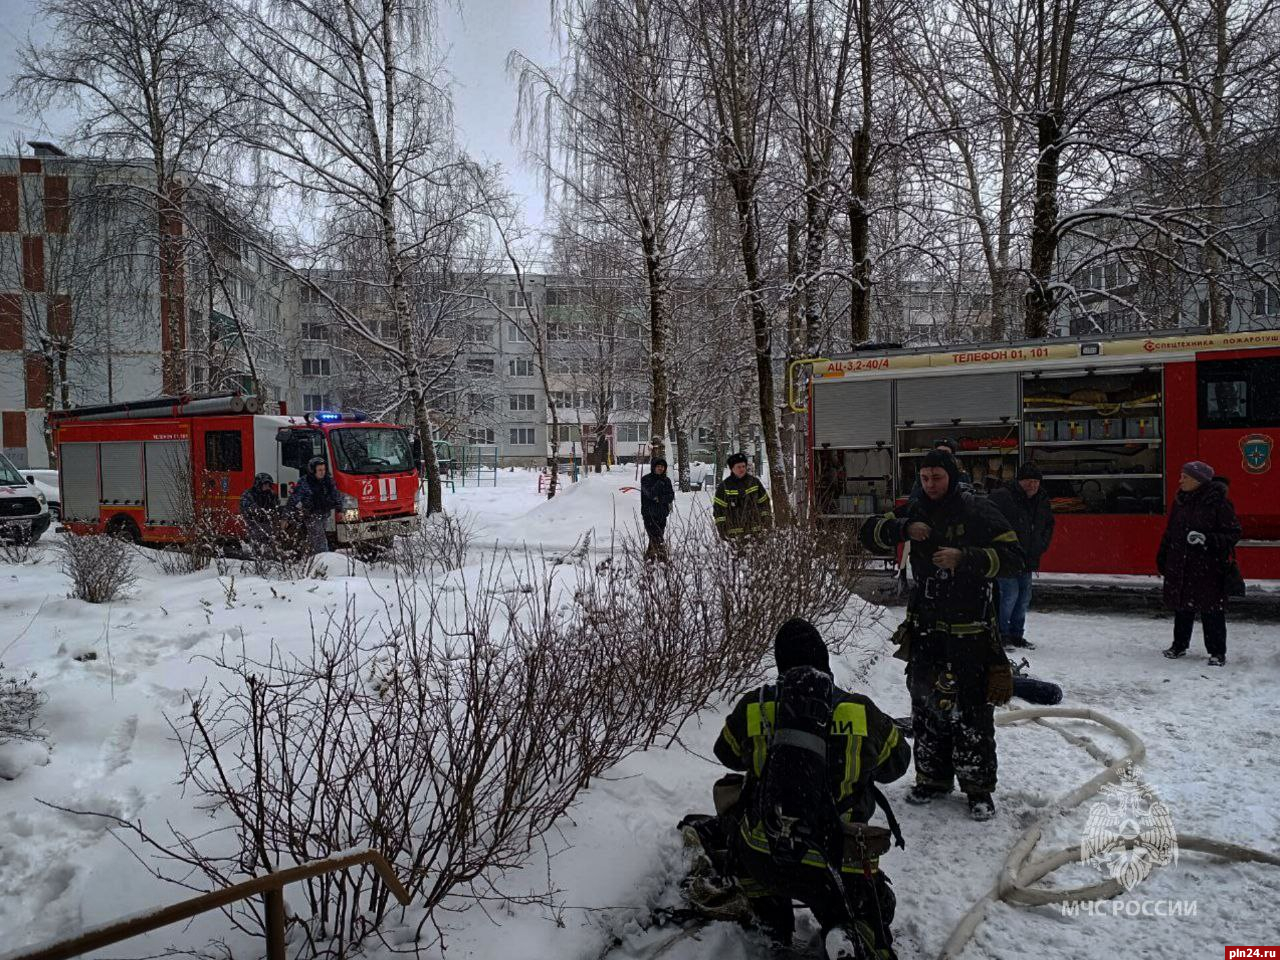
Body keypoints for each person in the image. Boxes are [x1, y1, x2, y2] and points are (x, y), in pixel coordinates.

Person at [712, 618, 910, 959]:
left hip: (765, 853)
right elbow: (898, 764)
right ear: (825, 660)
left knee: (734, 805)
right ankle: (845, 932)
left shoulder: (756, 705)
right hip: (837, 861)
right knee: (877, 906)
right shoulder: (858, 709)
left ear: (780, 663)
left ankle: (772, 924)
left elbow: (726, 753)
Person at [860, 450, 1024, 821]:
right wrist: (903, 529)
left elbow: (1016, 556)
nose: (931, 484)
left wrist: (966, 558)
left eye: (937, 477)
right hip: (927, 629)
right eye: (926, 477)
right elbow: (868, 532)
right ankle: (932, 779)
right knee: (926, 706)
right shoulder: (914, 509)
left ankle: (978, 789)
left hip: (972, 631)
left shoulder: (977, 511)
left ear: (951, 476)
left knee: (971, 712)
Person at [1157, 461, 1241, 667]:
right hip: (1182, 563)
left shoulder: (1219, 503)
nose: (1180, 480)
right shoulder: (1181, 501)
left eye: (1184, 477)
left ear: (1198, 480)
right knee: (1182, 607)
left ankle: (1217, 652)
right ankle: (1179, 645)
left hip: (1208, 566)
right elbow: (1171, 532)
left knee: (1212, 610)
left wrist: (1207, 539)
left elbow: (1233, 533)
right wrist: (1163, 556)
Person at [988, 463, 1056, 649]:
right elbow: (990, 521)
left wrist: (1041, 545)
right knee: (1009, 595)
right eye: (1028, 481)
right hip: (1007, 557)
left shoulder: (1041, 499)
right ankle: (1002, 634)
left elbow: (1048, 524)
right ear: (1019, 481)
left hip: (1028, 556)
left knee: (1023, 597)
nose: (1032, 485)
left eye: (1036, 482)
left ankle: (1017, 634)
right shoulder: (1004, 497)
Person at [287, 456, 342, 555]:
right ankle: (324, 559)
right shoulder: (305, 482)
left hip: (324, 513)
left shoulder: (328, 480)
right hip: (311, 515)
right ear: (313, 470)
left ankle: (310, 554)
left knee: (318, 536)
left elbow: (335, 493)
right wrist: (290, 514)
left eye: (324, 469)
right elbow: (294, 498)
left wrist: (339, 508)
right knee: (319, 539)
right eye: (319, 470)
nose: (322, 472)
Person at [712, 452, 772, 540]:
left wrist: (766, 524)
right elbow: (718, 511)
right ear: (732, 468)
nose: (742, 469)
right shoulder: (724, 487)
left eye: (744, 466)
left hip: (756, 532)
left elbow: (765, 504)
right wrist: (722, 531)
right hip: (734, 535)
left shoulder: (754, 483)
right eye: (739, 467)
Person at [640, 456, 675, 559]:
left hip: (662, 514)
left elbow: (671, 496)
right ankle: (663, 561)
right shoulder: (646, 479)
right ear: (653, 467)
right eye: (658, 466)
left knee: (656, 539)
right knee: (657, 539)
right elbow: (650, 494)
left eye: (663, 467)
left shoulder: (667, 480)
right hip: (649, 514)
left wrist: (660, 499)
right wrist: (659, 482)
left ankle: (649, 560)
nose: (661, 468)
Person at [239, 472, 281, 555]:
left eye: (268, 484)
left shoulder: (271, 495)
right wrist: (257, 511)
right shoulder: (249, 494)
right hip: (254, 522)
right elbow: (245, 506)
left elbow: (276, 507)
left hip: (268, 522)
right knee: (257, 537)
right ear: (259, 484)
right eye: (265, 484)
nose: (267, 487)